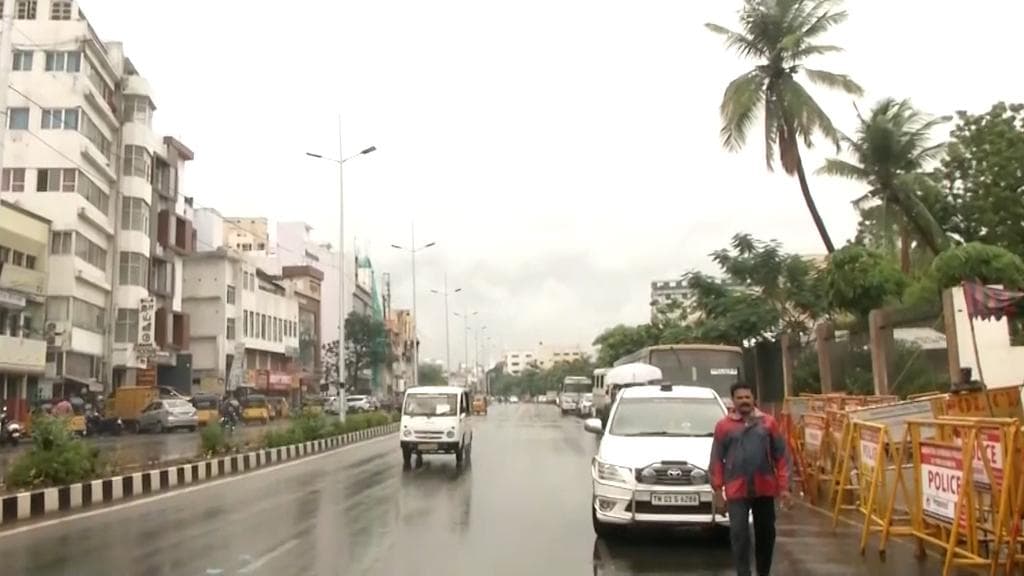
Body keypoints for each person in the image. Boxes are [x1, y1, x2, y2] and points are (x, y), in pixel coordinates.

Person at [709, 381, 791, 576]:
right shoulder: (723, 426)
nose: (744, 401)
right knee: (739, 535)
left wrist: (785, 487)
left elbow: (782, 456)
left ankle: (764, 572)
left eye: (747, 397)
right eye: (740, 398)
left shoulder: (768, 423)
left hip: (765, 488)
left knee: (766, 535)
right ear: (733, 401)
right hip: (737, 490)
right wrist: (717, 492)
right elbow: (716, 460)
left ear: (754, 399)